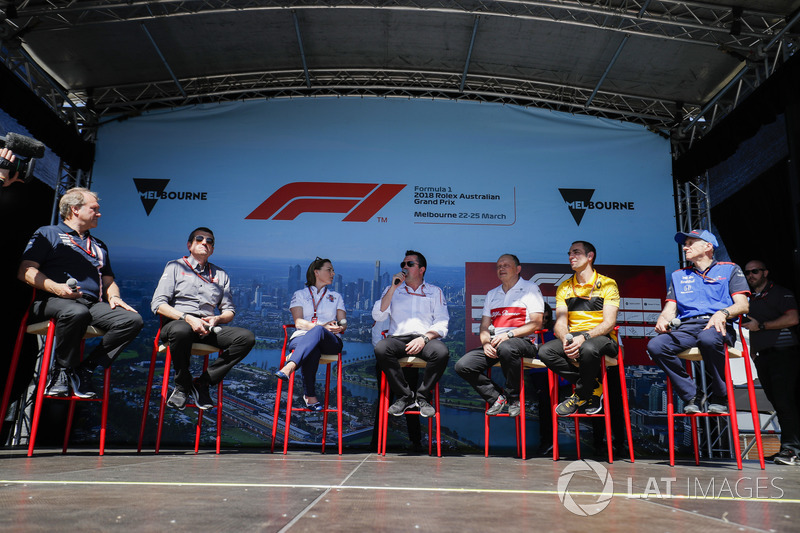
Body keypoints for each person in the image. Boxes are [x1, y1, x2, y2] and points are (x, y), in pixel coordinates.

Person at [17, 187, 144, 397]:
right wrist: (57, 288)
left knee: (132, 320)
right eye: (94, 208)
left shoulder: (98, 245)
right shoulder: (48, 233)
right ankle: (61, 371)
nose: (99, 213)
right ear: (75, 209)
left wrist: (114, 297)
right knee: (76, 312)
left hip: (90, 304)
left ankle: (85, 369)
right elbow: (25, 271)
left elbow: (108, 280)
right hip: (52, 300)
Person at [151, 227, 255, 410]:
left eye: (210, 241)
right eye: (200, 239)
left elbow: (229, 310)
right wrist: (188, 318)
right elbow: (158, 304)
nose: (205, 243)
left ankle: (203, 383)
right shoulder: (175, 266)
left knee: (246, 338)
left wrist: (217, 319)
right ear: (189, 245)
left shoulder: (221, 275)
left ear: (213, 249)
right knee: (181, 330)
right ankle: (182, 385)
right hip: (178, 323)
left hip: (207, 325)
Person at [647, 229, 749, 415]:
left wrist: (723, 313)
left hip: (718, 325)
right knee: (656, 345)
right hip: (686, 329)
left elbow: (743, 305)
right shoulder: (679, 275)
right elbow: (670, 309)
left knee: (708, 339)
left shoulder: (730, 269)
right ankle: (692, 394)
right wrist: (662, 319)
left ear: (708, 246)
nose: (685, 247)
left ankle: (720, 394)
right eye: (685, 244)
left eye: (690, 243)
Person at [455, 254, 544, 417]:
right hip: (497, 344)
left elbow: (537, 323)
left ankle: (514, 398)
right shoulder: (492, 294)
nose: (501, 269)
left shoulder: (531, 289)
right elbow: (484, 325)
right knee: (463, 365)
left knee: (507, 346)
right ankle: (496, 397)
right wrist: (486, 343)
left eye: (506, 265)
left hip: (523, 343)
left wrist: (509, 335)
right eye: (498, 266)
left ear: (518, 269)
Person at [538, 240, 619, 416]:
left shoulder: (608, 284)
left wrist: (584, 337)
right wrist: (566, 340)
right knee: (545, 351)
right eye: (569, 253)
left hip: (603, 338)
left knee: (588, 348)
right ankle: (592, 386)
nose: (571, 257)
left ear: (590, 256)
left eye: (576, 252)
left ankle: (581, 393)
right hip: (574, 336)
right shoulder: (564, 287)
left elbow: (609, 323)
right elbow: (560, 323)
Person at [373, 250, 449, 418]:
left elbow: (442, 321)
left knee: (441, 352)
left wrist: (424, 338)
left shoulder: (435, 291)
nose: (405, 267)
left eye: (410, 264)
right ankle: (405, 396)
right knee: (381, 348)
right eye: (403, 265)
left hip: (425, 339)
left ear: (422, 269)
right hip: (398, 339)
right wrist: (393, 288)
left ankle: (423, 397)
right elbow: (378, 315)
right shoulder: (391, 289)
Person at [742, 259, 800, 465]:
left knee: (785, 402)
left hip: (783, 354)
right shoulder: (749, 298)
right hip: (763, 357)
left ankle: (792, 450)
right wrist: (754, 353)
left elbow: (793, 318)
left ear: (765, 272)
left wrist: (763, 326)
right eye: (747, 272)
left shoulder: (780, 292)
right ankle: (788, 449)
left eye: (755, 271)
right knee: (777, 404)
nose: (751, 275)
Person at [275, 257, 346, 411]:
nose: (333, 273)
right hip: (302, 338)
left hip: (330, 341)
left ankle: (289, 366)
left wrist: (340, 326)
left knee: (319, 330)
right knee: (313, 348)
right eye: (329, 270)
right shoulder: (300, 294)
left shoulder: (337, 297)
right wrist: (321, 325)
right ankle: (310, 395)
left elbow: (343, 322)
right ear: (317, 272)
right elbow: (299, 322)